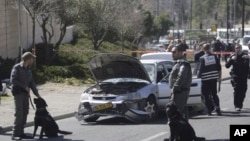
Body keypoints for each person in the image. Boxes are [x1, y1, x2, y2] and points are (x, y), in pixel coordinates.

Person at [10, 52, 41, 140]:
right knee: (19, 113)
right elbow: (13, 80)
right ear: (28, 59)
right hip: (18, 93)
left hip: (25, 94)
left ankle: (21, 132)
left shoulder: (28, 69)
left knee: (25, 112)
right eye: (32, 59)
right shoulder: (17, 68)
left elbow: (31, 82)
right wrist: (24, 86)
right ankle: (15, 134)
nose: (33, 60)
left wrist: (37, 94)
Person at [168, 44, 192, 119]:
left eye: (174, 52)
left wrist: (175, 87)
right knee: (181, 113)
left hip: (180, 92)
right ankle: (183, 129)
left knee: (177, 113)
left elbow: (181, 75)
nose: (172, 54)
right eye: (172, 52)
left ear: (181, 52)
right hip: (178, 92)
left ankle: (180, 129)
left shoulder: (183, 63)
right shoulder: (178, 62)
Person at [197, 44, 222, 116]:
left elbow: (201, 69)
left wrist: (198, 76)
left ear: (203, 49)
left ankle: (209, 110)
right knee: (214, 94)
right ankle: (218, 109)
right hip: (213, 78)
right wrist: (219, 77)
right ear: (210, 48)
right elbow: (218, 67)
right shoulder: (214, 56)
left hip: (205, 79)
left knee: (206, 95)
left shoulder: (202, 58)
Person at [225, 44, 249, 111]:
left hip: (244, 76)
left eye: (239, 48)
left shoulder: (245, 55)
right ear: (235, 49)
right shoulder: (233, 56)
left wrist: (248, 58)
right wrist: (231, 60)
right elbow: (227, 66)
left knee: (243, 91)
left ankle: (240, 104)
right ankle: (237, 105)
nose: (238, 49)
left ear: (241, 48)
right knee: (237, 90)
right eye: (236, 48)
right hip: (236, 76)